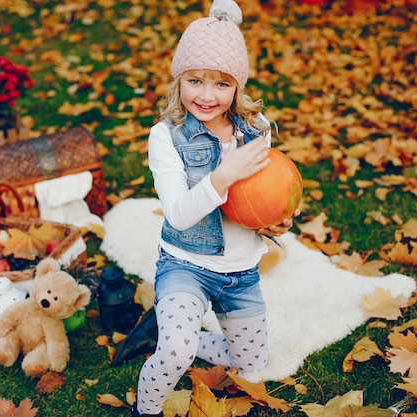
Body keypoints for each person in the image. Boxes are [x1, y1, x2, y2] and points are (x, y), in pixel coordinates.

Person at [131, 0, 300, 415]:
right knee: (177, 353)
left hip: (241, 273)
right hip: (185, 265)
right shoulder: (165, 137)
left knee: (250, 368)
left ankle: (159, 328)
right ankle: (146, 407)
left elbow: (261, 198)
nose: (207, 96)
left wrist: (277, 222)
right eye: (195, 81)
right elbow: (178, 213)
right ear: (179, 80)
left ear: (238, 87)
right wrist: (223, 175)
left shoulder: (256, 131)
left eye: (222, 84)